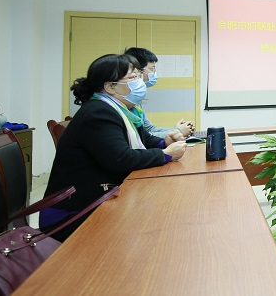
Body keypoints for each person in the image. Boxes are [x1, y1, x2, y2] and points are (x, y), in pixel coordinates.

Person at [40, 54, 186, 241]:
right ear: (110, 86)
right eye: (133, 77)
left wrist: (164, 141)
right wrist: (164, 154)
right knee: (159, 224)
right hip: (71, 213)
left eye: (139, 76)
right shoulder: (98, 112)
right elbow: (121, 159)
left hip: (97, 198)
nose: (140, 82)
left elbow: (145, 139)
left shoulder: (122, 109)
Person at [124, 47, 195, 137]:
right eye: (152, 69)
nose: (154, 73)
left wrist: (180, 130)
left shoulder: (135, 100)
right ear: (138, 70)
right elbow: (142, 137)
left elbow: (149, 129)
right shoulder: (125, 100)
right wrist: (178, 132)